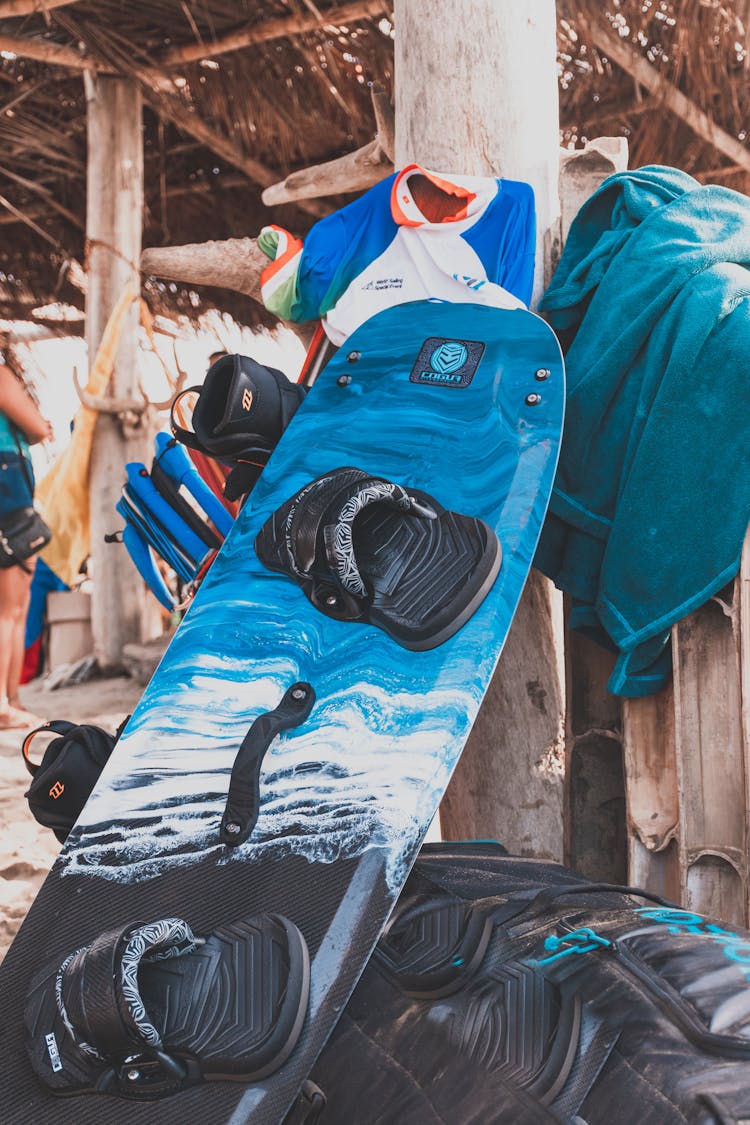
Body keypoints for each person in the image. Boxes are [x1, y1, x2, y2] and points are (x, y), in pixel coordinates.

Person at [0, 359, 52, 728]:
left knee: (12, 606)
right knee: (11, 607)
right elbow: (36, 428)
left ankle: (10, 700)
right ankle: (5, 703)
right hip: (8, 487)